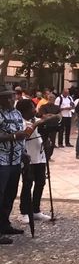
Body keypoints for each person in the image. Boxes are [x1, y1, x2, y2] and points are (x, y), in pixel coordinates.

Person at [17, 99, 54, 223]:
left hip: (40, 156)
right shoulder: (21, 122)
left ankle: (35, 210)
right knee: (27, 185)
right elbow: (25, 134)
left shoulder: (36, 121)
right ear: (25, 110)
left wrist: (47, 140)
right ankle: (24, 212)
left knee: (40, 183)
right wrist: (36, 124)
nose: (35, 110)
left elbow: (43, 133)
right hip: (28, 158)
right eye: (33, 107)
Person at [0, 85, 29, 244]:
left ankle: (4, 225)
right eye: (8, 97)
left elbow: (21, 134)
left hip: (16, 159)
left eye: (12, 96)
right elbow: (15, 135)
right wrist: (12, 137)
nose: (12, 99)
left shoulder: (17, 113)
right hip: (2, 160)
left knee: (10, 194)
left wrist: (23, 152)